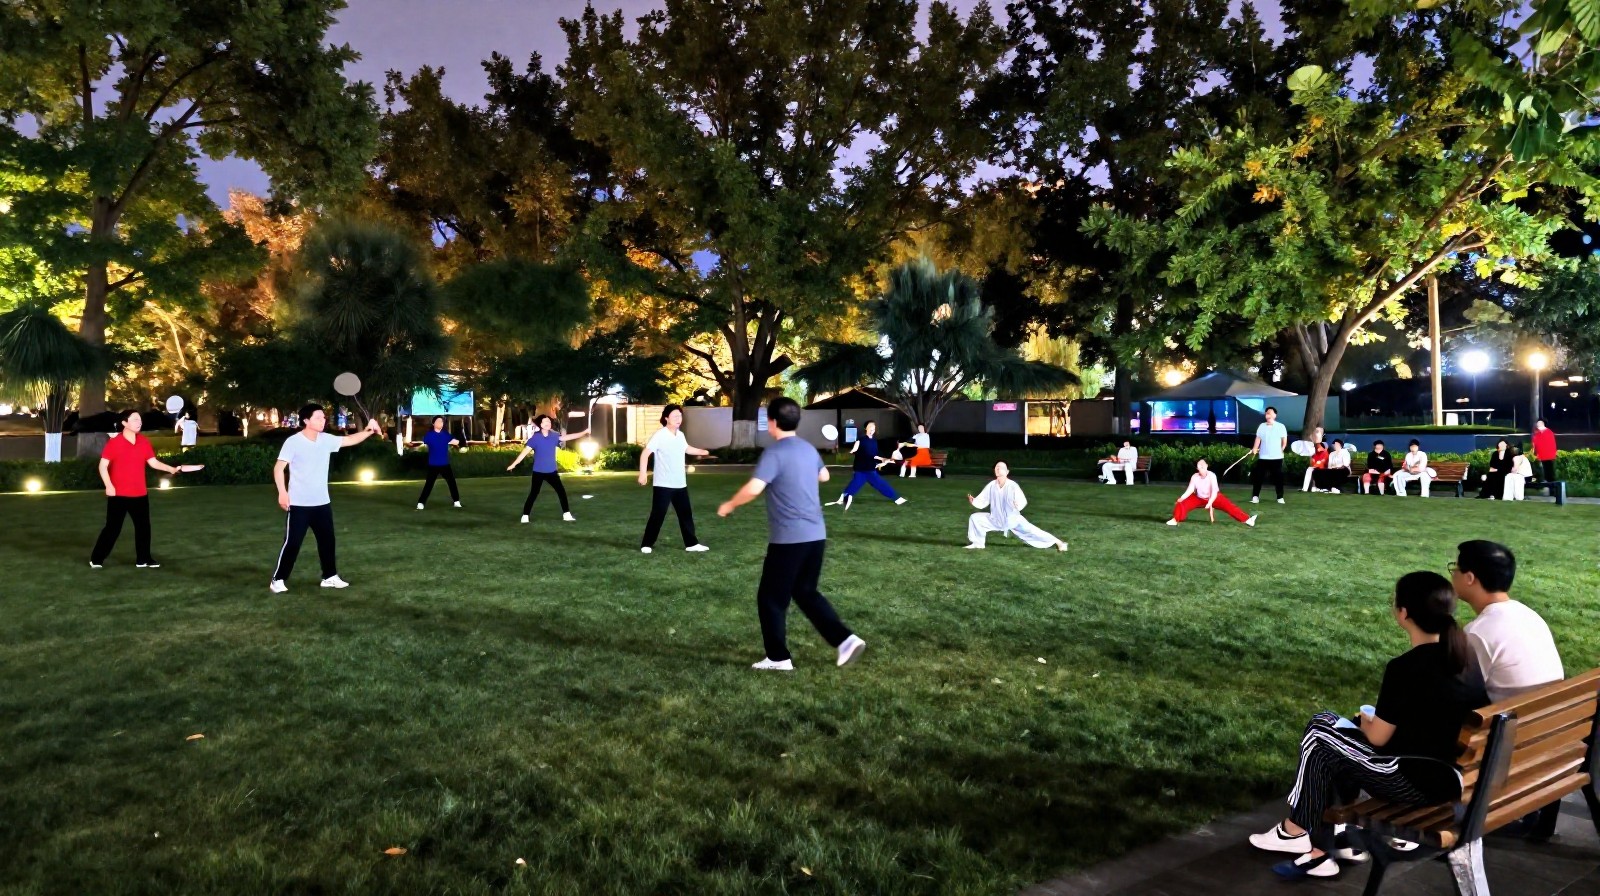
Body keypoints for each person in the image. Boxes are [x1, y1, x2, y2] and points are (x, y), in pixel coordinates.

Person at [1249, 571, 1487, 881]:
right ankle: (1325, 843)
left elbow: (1377, 737)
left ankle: (1297, 832)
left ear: (1403, 614)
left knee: (1321, 732)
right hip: (1454, 777)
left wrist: (1367, 722)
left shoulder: (1405, 667)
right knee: (1333, 733)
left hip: (1413, 781)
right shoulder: (1465, 657)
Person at [717, 397, 866, 672]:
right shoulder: (808, 449)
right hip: (816, 536)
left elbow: (753, 488)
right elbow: (825, 477)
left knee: (771, 598)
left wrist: (729, 504)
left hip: (789, 539)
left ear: (772, 423)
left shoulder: (775, 453)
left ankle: (778, 658)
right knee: (805, 591)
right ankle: (845, 640)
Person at [269, 404, 383, 593]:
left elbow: (350, 440)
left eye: (324, 417)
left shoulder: (326, 440)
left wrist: (369, 431)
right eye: (318, 418)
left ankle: (329, 576)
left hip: (322, 503)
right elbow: (278, 468)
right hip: (299, 504)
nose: (323, 420)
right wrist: (282, 492)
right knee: (293, 543)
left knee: (327, 541)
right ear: (306, 421)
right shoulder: (293, 442)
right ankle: (278, 579)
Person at [1450, 540, 1564, 703]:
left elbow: (1456, 694)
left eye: (1456, 569)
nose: (1453, 574)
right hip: (1553, 718)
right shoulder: (1529, 616)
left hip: (1515, 725)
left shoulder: (1477, 633)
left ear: (1469, 578)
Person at [89, 410, 191, 569]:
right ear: (124, 423)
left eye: (140, 419)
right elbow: (102, 466)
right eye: (135, 419)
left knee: (144, 528)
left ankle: (143, 559)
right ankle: (96, 559)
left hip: (140, 493)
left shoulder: (143, 442)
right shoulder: (115, 443)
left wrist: (171, 469)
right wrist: (109, 486)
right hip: (119, 494)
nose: (139, 422)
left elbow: (153, 463)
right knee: (113, 528)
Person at [639, 404, 711, 554]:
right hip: (663, 484)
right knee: (658, 515)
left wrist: (702, 451)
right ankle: (647, 544)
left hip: (680, 484)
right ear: (666, 418)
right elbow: (645, 454)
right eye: (675, 416)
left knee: (686, 514)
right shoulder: (660, 435)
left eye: (680, 416)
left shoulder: (680, 435)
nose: (679, 419)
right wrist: (643, 474)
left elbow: (686, 448)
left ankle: (691, 544)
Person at [964, 461, 1069, 550]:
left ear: (1007, 472)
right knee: (975, 518)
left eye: (1001, 468)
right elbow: (983, 499)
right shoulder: (991, 485)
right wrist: (974, 501)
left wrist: (1017, 505)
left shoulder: (1012, 486)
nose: (998, 469)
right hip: (995, 519)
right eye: (996, 467)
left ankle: (1058, 542)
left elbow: (1022, 501)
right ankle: (978, 543)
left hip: (1012, 520)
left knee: (1033, 531)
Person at [507, 414, 588, 524]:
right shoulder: (535, 438)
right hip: (538, 472)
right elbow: (524, 453)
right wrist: (514, 464)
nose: (548, 423)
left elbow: (568, 437)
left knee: (561, 492)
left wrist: (583, 432)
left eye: (549, 422)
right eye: (545, 422)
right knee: (534, 493)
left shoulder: (554, 436)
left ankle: (567, 514)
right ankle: (525, 516)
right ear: (540, 425)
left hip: (552, 472)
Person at [827, 420, 906, 511]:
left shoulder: (874, 441)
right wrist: (846, 453)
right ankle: (897, 498)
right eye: (870, 426)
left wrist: (883, 459)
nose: (872, 428)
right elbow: (854, 450)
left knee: (877, 484)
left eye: (873, 427)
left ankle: (896, 498)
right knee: (856, 485)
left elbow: (874, 455)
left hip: (870, 468)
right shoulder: (861, 440)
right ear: (866, 428)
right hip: (860, 468)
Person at [1167, 458, 1256, 527]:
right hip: (1199, 498)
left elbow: (1214, 492)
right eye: (1199, 464)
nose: (1201, 465)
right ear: (1197, 467)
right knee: (1181, 502)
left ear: (1207, 466)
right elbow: (1190, 489)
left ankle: (1248, 520)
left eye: (1203, 464)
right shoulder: (1194, 477)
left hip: (1214, 498)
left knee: (1230, 506)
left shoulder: (1212, 476)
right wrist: (1182, 497)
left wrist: (1209, 503)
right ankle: (1175, 520)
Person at [415, 415, 462, 510]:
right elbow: (422, 444)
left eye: (441, 422)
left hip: (445, 464)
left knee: (452, 483)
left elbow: (455, 441)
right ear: (433, 423)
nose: (440, 423)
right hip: (433, 464)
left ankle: (456, 501)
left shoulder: (445, 434)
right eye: (438, 421)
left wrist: (459, 440)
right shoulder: (429, 435)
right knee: (429, 484)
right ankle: (421, 503)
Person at [1249, 406, 1288, 504]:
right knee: (1258, 477)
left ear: (1275, 415)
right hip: (1263, 457)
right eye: (1266, 413)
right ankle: (1255, 496)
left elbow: (1284, 440)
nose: (1268, 415)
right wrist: (1254, 448)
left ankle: (1280, 497)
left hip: (1277, 457)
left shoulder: (1281, 426)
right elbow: (1258, 439)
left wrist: (1282, 448)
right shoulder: (1261, 426)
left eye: (1270, 413)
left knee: (1278, 478)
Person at [1532, 419, 1558, 489]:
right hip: (1540, 456)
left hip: (1548, 457)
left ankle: (1553, 490)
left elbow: (1551, 445)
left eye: (1540, 422)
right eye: (1537, 423)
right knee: (1541, 473)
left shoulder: (1548, 432)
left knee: (1550, 474)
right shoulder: (1537, 433)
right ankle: (1541, 487)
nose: (1538, 424)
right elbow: (1535, 444)